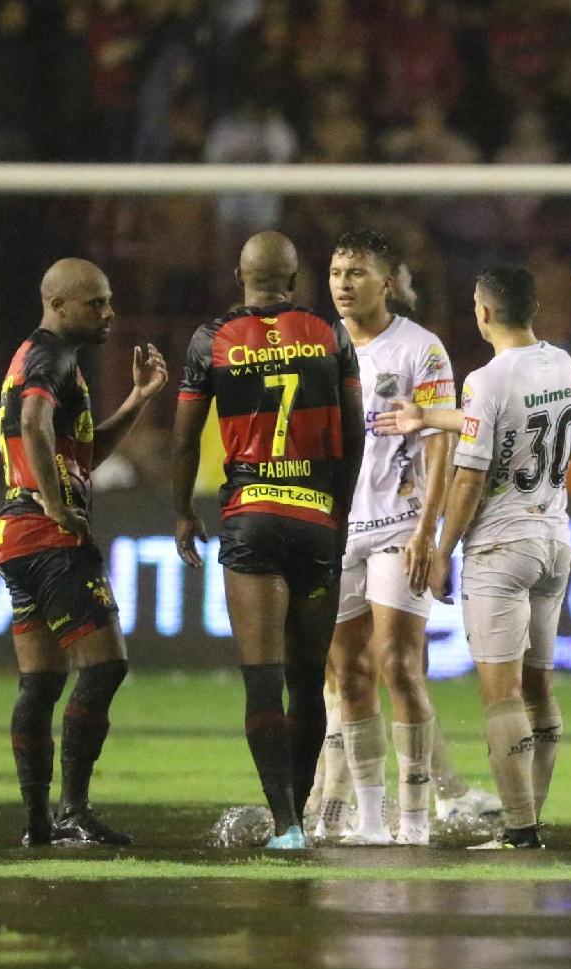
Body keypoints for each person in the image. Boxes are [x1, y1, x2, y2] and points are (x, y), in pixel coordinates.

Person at [171, 231, 365, 849]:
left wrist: (181, 510)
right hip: (315, 517)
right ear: (296, 276)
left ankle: (284, 824)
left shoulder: (212, 339)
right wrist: (342, 504)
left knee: (263, 680)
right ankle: (301, 819)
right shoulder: (330, 332)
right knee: (309, 681)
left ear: (239, 275)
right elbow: (356, 431)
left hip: (251, 514)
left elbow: (183, 438)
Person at [381, 267, 571, 850]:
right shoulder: (561, 362)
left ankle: (519, 830)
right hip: (554, 540)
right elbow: (504, 422)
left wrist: (441, 549)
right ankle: (531, 817)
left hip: (500, 548)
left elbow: (469, 475)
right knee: (538, 689)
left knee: (503, 693)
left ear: (483, 312)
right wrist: (427, 417)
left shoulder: (485, 378)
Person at [0, 259, 166, 847]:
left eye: (109, 300)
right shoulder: (50, 358)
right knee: (105, 665)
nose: (109, 312)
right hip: (47, 538)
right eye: (96, 303)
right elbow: (33, 419)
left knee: (40, 684)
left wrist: (140, 397)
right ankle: (74, 810)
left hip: (14, 537)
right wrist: (55, 504)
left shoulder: (46, 360)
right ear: (58, 304)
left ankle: (39, 821)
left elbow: (81, 451)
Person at [321, 229, 456, 846]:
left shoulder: (420, 349)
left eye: (356, 273)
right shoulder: (319, 346)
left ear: (387, 283)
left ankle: (416, 818)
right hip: (334, 528)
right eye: (335, 273)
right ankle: (371, 820)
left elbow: (440, 441)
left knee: (397, 664)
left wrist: (431, 530)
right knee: (347, 675)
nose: (344, 284)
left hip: (399, 526)